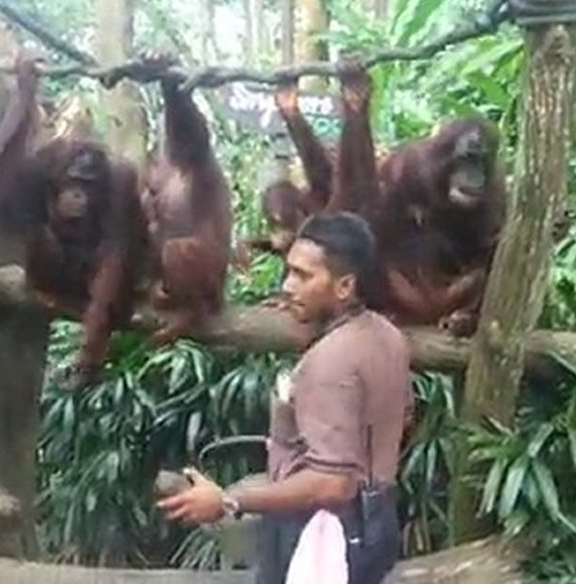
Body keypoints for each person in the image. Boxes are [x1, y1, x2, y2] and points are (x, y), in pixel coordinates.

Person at [157, 211, 413, 584]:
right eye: (289, 271)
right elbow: (404, 417)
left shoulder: (328, 362)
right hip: (377, 520)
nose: (288, 286)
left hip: (323, 535)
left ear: (344, 286)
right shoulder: (387, 336)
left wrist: (228, 501)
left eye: (304, 276)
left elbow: (332, 484)